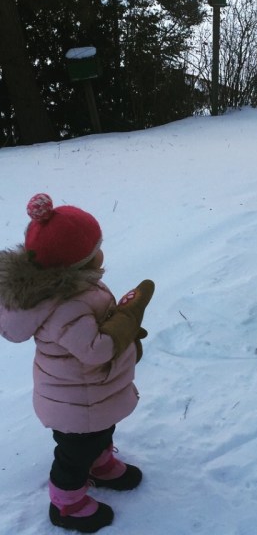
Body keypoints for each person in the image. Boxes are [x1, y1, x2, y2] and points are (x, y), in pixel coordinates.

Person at [0, 193, 154, 532]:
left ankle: (100, 464)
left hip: (89, 396)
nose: (101, 253)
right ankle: (66, 505)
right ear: (77, 264)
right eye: (96, 249)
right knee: (74, 455)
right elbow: (95, 350)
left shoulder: (78, 288)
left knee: (99, 433)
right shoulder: (65, 305)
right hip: (75, 403)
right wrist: (126, 321)